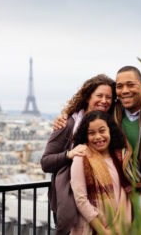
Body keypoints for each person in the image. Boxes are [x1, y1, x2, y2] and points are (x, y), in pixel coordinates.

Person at [53, 66, 141, 186]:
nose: (125, 91)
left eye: (130, 84)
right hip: (122, 199)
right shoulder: (110, 116)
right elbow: (88, 113)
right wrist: (65, 115)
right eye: (119, 86)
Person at [41, 74, 116, 235]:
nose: (104, 100)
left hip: (100, 202)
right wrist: (69, 154)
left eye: (109, 97)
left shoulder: (111, 124)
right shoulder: (68, 124)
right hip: (73, 201)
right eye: (100, 95)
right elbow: (45, 162)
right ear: (88, 97)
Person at [70, 110, 138, 235]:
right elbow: (81, 199)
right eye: (91, 133)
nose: (98, 137)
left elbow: (128, 193)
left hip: (121, 227)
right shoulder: (81, 157)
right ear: (86, 136)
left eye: (102, 131)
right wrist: (104, 231)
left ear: (110, 131)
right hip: (94, 228)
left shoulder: (120, 157)